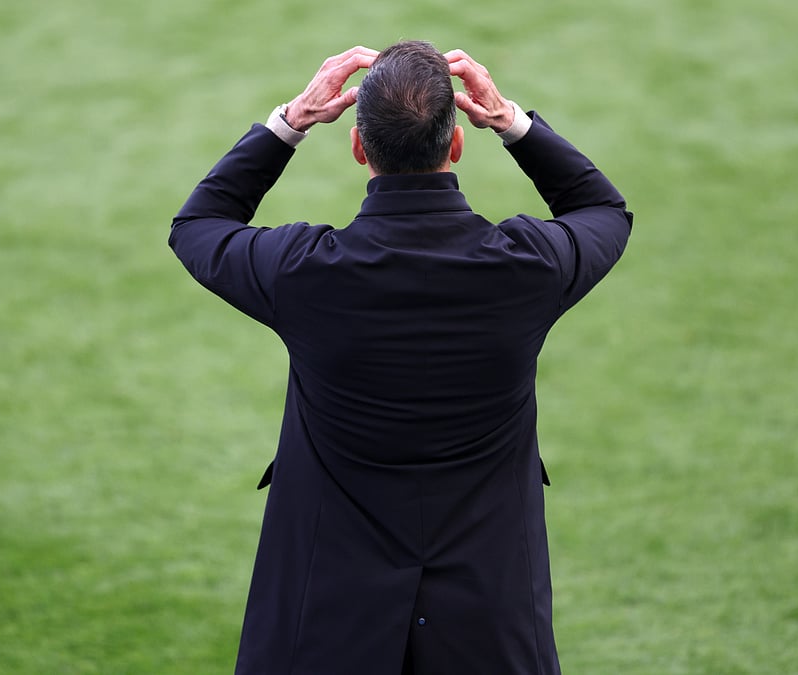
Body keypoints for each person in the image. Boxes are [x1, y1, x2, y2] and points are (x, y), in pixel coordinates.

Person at [169, 41, 633, 675]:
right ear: (457, 145)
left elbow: (199, 225)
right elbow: (603, 209)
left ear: (361, 148)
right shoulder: (530, 267)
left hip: (326, 620)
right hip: (488, 622)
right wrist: (513, 123)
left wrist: (290, 122)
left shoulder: (303, 274)